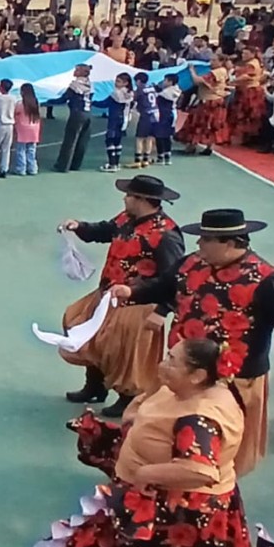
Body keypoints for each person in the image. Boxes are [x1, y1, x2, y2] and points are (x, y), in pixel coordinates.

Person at [15, 339, 269, 547]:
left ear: (197, 375)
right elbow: (153, 408)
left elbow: (198, 469)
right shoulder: (185, 390)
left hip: (182, 517)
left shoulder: (200, 418)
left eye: (172, 360)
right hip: (155, 502)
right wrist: (133, 420)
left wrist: (145, 473)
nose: (163, 364)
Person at [115, 208, 274, 475]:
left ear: (228, 243)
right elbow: (164, 286)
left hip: (234, 378)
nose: (199, 244)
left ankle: (211, 490)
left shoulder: (266, 280)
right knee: (162, 430)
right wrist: (133, 292)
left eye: (206, 239)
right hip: (182, 369)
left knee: (219, 444)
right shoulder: (190, 263)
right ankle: (162, 478)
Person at [56, 175, 185, 417]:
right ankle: (95, 386)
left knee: (123, 350)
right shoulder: (128, 218)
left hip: (139, 301)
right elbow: (107, 230)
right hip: (109, 293)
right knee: (83, 329)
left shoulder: (166, 235)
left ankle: (129, 397)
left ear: (143, 200)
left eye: (129, 195)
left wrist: (163, 309)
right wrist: (81, 227)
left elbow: (175, 277)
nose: (124, 198)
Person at [53, 63, 95, 173]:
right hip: (88, 114)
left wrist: (47, 101)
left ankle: (63, 165)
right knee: (82, 141)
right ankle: (76, 164)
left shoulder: (75, 85)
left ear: (81, 72)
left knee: (70, 140)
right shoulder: (90, 85)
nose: (74, 71)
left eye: (77, 70)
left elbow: (64, 99)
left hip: (77, 114)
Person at [101, 73, 134, 173]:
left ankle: (112, 164)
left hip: (114, 119)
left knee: (110, 140)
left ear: (126, 83)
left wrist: (92, 100)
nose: (116, 83)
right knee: (118, 141)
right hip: (124, 119)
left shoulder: (116, 94)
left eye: (118, 81)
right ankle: (116, 163)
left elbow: (104, 103)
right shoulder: (130, 93)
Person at [10, 83, 43, 176]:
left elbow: (15, 113)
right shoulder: (36, 102)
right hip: (34, 128)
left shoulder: (20, 104)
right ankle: (32, 168)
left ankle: (21, 168)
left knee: (21, 149)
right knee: (32, 149)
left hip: (22, 128)